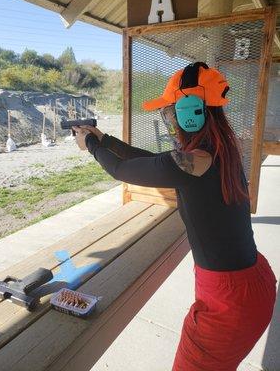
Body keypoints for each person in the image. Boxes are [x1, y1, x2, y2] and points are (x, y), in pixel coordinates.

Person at [72, 62, 277, 371]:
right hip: (251, 281)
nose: (167, 117)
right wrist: (103, 140)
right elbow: (155, 160)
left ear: (191, 111)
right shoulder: (218, 149)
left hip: (230, 301)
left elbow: (120, 170)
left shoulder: (196, 159)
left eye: (169, 110)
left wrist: (89, 145)